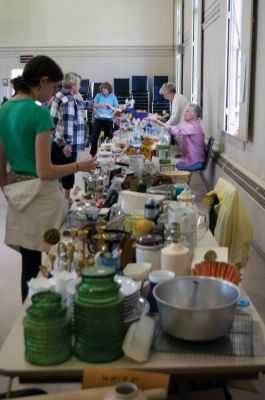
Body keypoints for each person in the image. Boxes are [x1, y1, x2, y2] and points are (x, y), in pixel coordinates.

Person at [0, 55, 99, 302]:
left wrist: (11, 191)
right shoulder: (38, 113)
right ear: (42, 81)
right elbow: (45, 170)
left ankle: (29, 314)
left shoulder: (4, 109)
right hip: (41, 197)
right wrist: (79, 165)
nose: (54, 93)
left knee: (29, 264)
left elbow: (1, 168)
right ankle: (49, 312)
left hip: (17, 194)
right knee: (59, 256)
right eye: (54, 86)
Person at [50, 73, 108, 200]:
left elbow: (81, 104)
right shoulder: (68, 99)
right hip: (65, 144)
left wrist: (100, 105)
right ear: (73, 85)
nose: (80, 87)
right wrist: (68, 144)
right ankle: (66, 200)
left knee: (60, 173)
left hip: (57, 141)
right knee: (68, 173)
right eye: (79, 84)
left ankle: (61, 198)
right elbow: (68, 123)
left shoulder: (62, 94)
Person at [148, 103, 205, 171]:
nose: (184, 113)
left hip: (194, 162)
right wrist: (181, 155)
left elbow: (172, 129)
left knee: (165, 166)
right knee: (165, 162)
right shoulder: (194, 125)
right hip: (194, 160)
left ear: (194, 115)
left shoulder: (192, 126)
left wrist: (156, 120)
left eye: (187, 111)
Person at [90, 82, 118, 157]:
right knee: (95, 136)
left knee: (108, 136)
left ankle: (107, 153)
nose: (103, 92)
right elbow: (94, 106)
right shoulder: (98, 95)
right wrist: (96, 112)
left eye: (105, 90)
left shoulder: (113, 97)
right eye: (102, 90)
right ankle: (92, 153)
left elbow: (116, 108)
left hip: (108, 119)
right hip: (98, 118)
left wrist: (112, 114)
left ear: (109, 90)